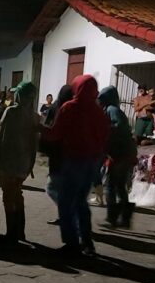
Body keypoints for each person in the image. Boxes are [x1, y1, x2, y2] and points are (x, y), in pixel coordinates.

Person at [43, 74, 110, 257]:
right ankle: (87, 242)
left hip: (73, 160)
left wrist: (39, 128)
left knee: (65, 202)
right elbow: (105, 136)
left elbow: (55, 134)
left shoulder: (69, 108)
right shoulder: (98, 111)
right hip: (92, 161)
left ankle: (72, 243)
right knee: (81, 202)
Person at [0, 82, 39, 245]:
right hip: (25, 164)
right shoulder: (34, 116)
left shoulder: (11, 112)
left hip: (10, 162)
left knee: (9, 197)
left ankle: (11, 233)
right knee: (17, 195)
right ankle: (20, 231)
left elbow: (0, 137)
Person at [99, 86, 137, 228]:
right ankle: (124, 218)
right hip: (124, 153)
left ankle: (112, 217)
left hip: (119, 154)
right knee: (120, 186)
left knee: (110, 185)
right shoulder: (113, 110)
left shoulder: (111, 110)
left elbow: (117, 127)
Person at [41, 85, 73, 225]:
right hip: (72, 155)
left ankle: (67, 214)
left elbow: (49, 127)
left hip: (58, 154)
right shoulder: (74, 108)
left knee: (52, 187)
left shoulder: (58, 107)